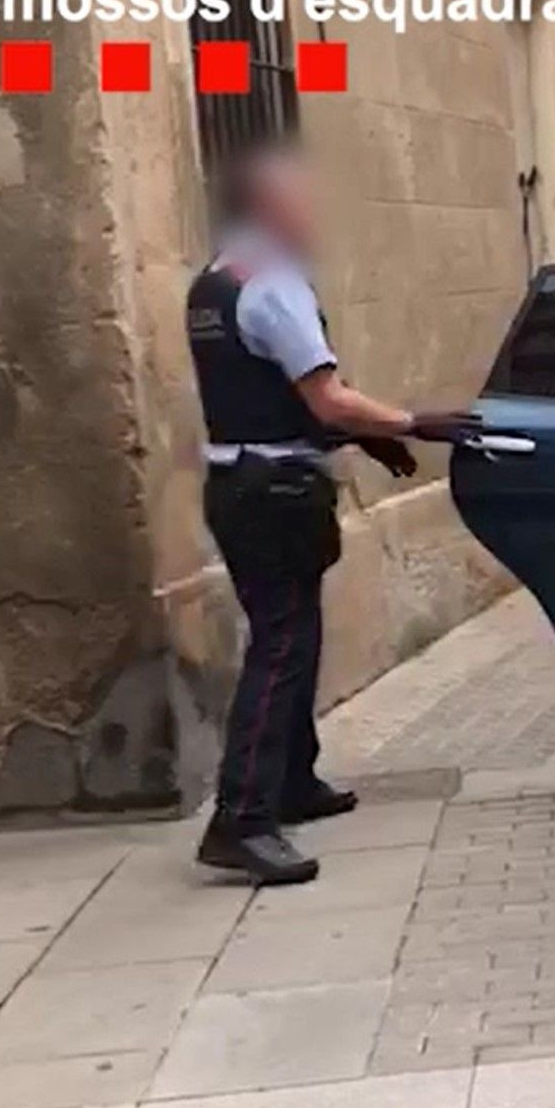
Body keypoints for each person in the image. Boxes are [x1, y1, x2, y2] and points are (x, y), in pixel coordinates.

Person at [187, 143, 477, 885]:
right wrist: (411, 422)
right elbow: (327, 398)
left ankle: (291, 779)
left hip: (238, 481)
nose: (316, 213)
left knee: (293, 634)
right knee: (281, 645)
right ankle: (242, 816)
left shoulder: (216, 279)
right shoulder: (276, 283)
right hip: (275, 486)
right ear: (272, 206)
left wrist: (370, 443)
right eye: (304, 199)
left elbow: (266, 392)